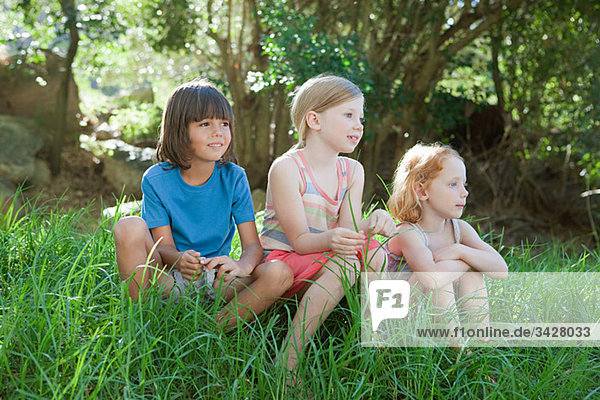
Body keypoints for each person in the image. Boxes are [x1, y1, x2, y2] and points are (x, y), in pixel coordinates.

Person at [113, 78, 293, 328]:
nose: (218, 131)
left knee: (279, 273)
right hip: (171, 278)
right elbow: (162, 248)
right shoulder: (156, 179)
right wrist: (180, 260)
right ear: (179, 130)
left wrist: (240, 266)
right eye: (205, 123)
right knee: (128, 226)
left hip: (219, 281)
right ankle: (141, 324)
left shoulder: (234, 177)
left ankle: (213, 330)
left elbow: (253, 245)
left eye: (224, 124)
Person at [259, 75, 396, 370]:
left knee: (376, 253)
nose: (358, 125)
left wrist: (372, 222)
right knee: (346, 264)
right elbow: (299, 241)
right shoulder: (287, 168)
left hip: (323, 252)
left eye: (360, 117)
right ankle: (287, 362)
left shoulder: (352, 171)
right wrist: (338, 239)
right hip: (286, 259)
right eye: (348, 115)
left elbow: (348, 233)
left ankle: (381, 342)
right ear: (314, 120)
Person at [386, 142, 507, 334]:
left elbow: (501, 270)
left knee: (472, 276)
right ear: (422, 191)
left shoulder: (459, 229)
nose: (464, 192)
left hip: (432, 316)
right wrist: (467, 261)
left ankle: (480, 348)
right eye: (453, 184)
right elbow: (431, 280)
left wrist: (461, 251)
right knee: (440, 281)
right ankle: (458, 353)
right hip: (397, 318)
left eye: (464, 184)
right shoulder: (407, 233)